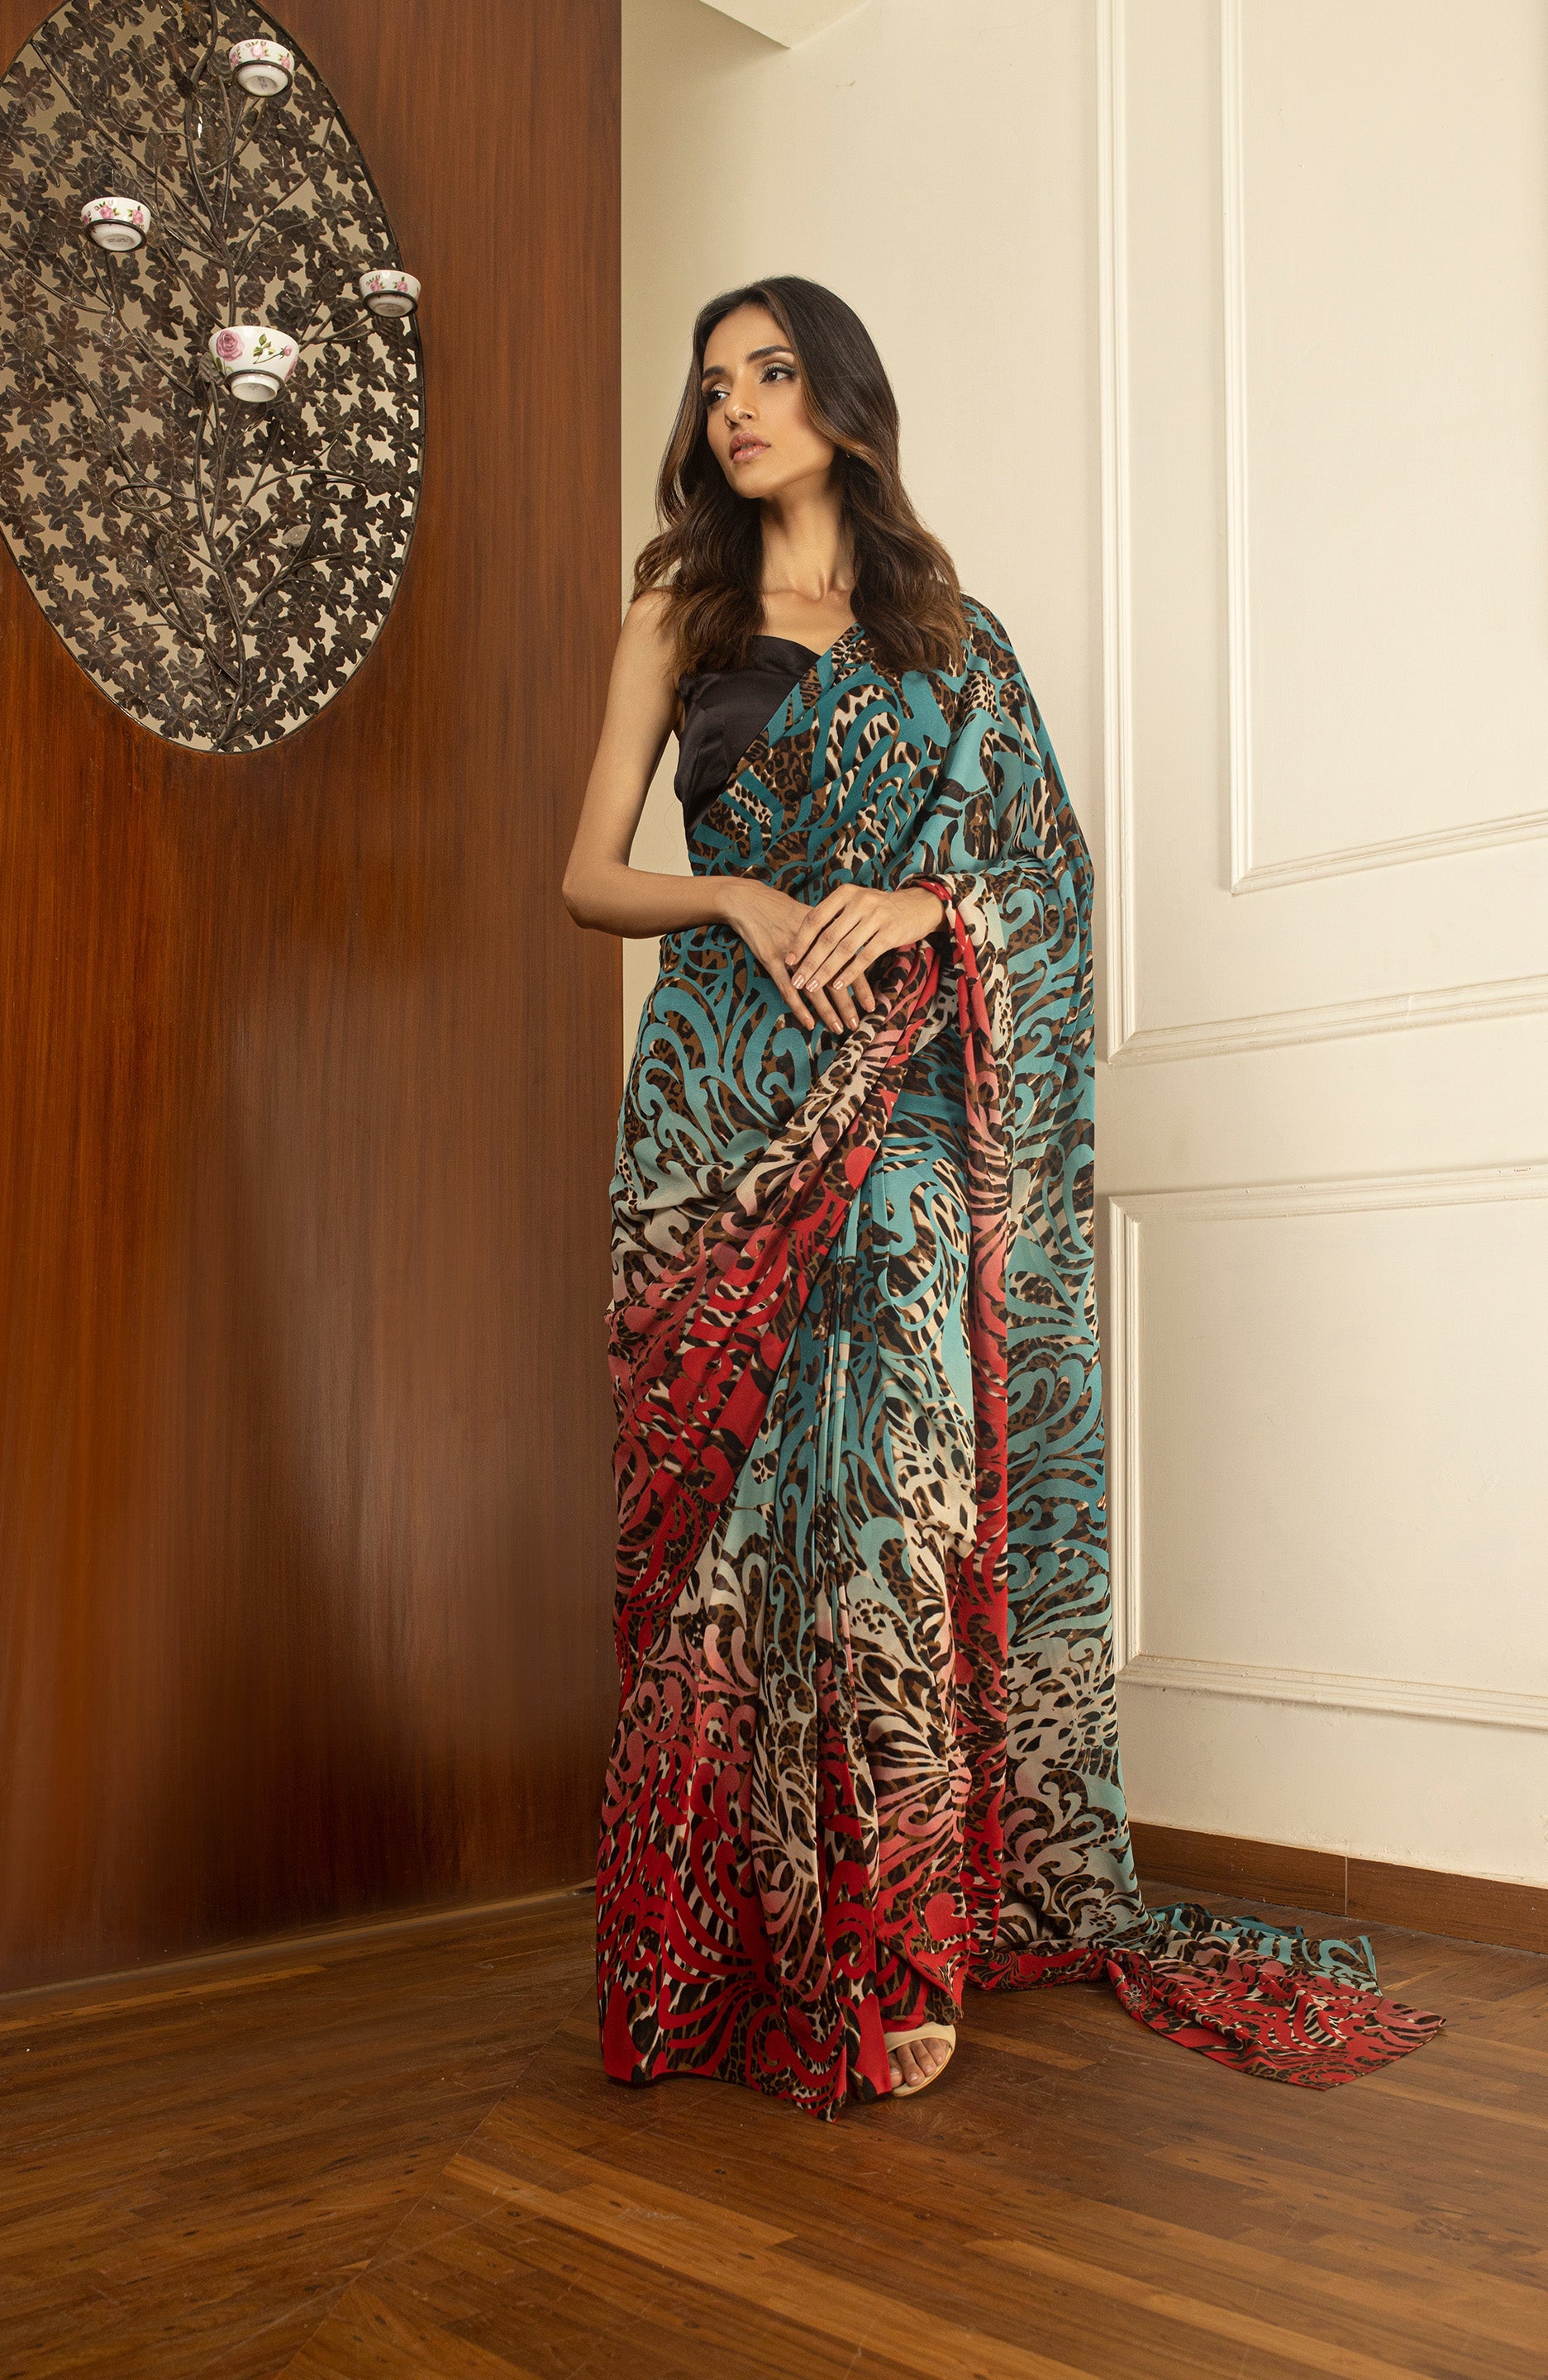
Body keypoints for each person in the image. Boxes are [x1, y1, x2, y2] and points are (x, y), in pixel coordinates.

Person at [562, 275, 1442, 2120]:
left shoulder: (952, 638)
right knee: (730, 1553)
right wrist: (737, 895)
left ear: (843, 397)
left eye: (772, 372)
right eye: (713, 384)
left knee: (891, 1510)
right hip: (722, 1119)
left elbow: (1048, 882)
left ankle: (890, 1948)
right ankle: (721, 1950)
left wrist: (932, 904)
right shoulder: (677, 612)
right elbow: (586, 876)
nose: (737, 407)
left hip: (905, 1111)